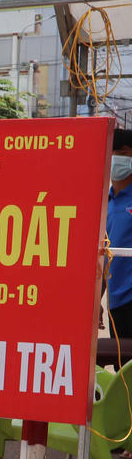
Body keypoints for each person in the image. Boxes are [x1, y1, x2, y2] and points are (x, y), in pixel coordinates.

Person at [106, 128, 132, 340]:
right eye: (110, 152)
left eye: (122, 153)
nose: (115, 158)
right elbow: (104, 253)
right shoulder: (105, 203)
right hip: (116, 302)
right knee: (121, 369)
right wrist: (98, 299)